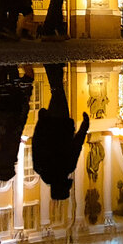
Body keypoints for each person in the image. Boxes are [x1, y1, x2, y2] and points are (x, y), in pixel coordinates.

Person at [32, 63, 90, 207]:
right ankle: (54, 66)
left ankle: (53, 65)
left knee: (58, 92)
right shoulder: (40, 169)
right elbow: (37, 143)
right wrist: (41, 122)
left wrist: (85, 126)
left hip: (62, 123)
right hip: (50, 123)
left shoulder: (67, 167)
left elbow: (77, 145)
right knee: (57, 92)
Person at [0, 65, 34, 184]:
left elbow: (15, 133)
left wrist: (24, 112)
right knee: (2, 88)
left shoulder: (10, 154)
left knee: (13, 87)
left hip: (12, 116)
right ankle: (0, 65)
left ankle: (11, 61)